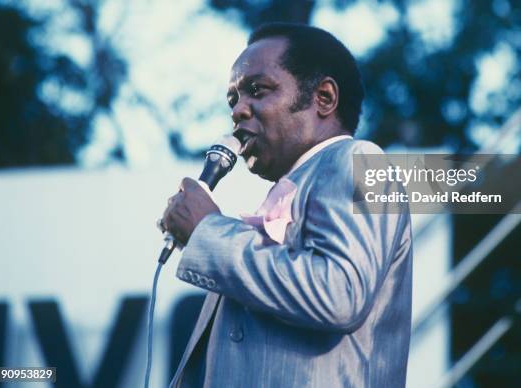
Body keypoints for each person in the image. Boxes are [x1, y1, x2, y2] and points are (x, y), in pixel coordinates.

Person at [162, 23, 412, 387]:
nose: (238, 112)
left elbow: (340, 293)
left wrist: (209, 231)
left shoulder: (359, 159)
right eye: (233, 100)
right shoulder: (293, 186)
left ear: (324, 97)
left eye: (256, 90)